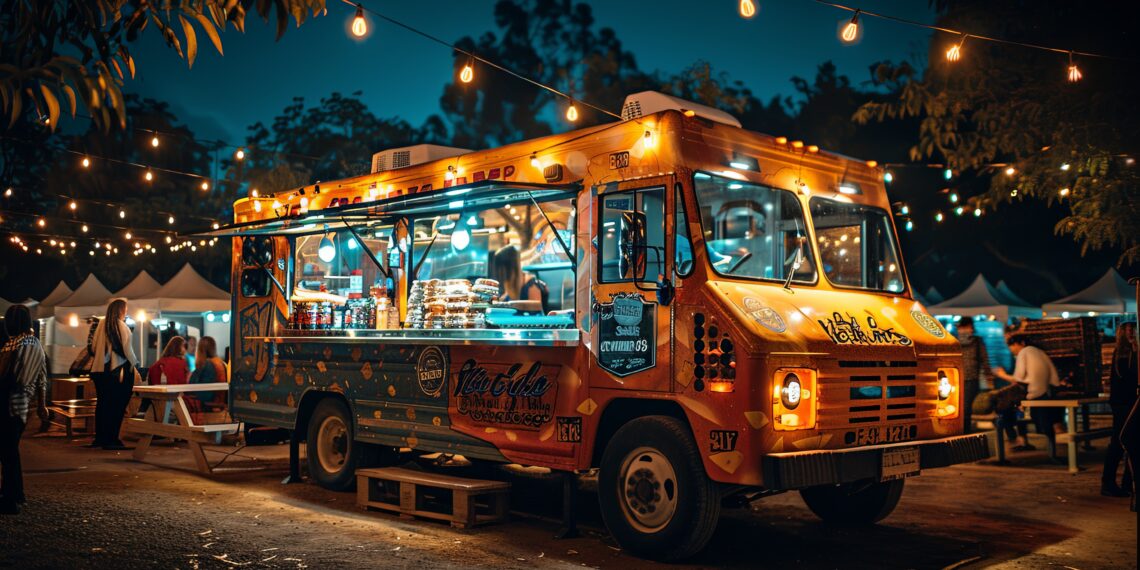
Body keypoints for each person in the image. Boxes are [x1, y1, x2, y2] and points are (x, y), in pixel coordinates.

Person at [1, 304, 48, 514]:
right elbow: (42, 378)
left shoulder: (25, 343)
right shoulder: (23, 342)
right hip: (17, 404)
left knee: (9, 451)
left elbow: (22, 379)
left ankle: (12, 498)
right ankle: (13, 493)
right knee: (8, 451)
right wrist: (42, 404)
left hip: (13, 404)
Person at [993, 333, 1061, 453]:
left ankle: (1016, 439)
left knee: (1002, 409)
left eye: (1012, 345)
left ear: (1022, 343)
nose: (1011, 349)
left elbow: (1018, 378)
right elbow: (1055, 380)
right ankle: (1022, 440)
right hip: (1045, 395)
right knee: (1018, 404)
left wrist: (1001, 375)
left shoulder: (1024, 352)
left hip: (1032, 397)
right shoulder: (1041, 352)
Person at [88, 299, 139, 450]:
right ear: (120, 310)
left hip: (99, 371)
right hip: (118, 372)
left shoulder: (101, 325)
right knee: (117, 406)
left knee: (103, 405)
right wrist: (135, 363)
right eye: (126, 309)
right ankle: (112, 438)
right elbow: (126, 350)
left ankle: (100, 437)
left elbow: (93, 347)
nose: (127, 312)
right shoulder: (122, 326)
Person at [1102, 322, 1138, 497]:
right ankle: (1109, 483)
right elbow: (1130, 375)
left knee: (1129, 441)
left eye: (1133, 330)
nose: (1131, 333)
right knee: (1120, 441)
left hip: (1127, 401)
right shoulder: (1124, 353)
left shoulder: (1129, 352)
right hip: (1124, 403)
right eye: (1128, 331)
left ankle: (1126, 483)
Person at [957, 316, 991, 433]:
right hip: (963, 379)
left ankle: (963, 432)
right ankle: (963, 431)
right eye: (969, 327)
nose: (970, 330)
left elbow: (984, 360)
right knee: (962, 408)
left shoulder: (975, 341)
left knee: (963, 409)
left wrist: (989, 378)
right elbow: (985, 360)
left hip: (964, 379)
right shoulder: (956, 341)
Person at [490, 244, 549, 313]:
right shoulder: (509, 283)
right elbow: (504, 300)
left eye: (501, 269)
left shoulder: (532, 285)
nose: (499, 272)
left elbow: (537, 316)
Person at [185, 337, 228, 423]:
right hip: (221, 405)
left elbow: (200, 392)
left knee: (180, 401)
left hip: (208, 406)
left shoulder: (207, 365)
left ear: (200, 350)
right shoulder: (221, 363)